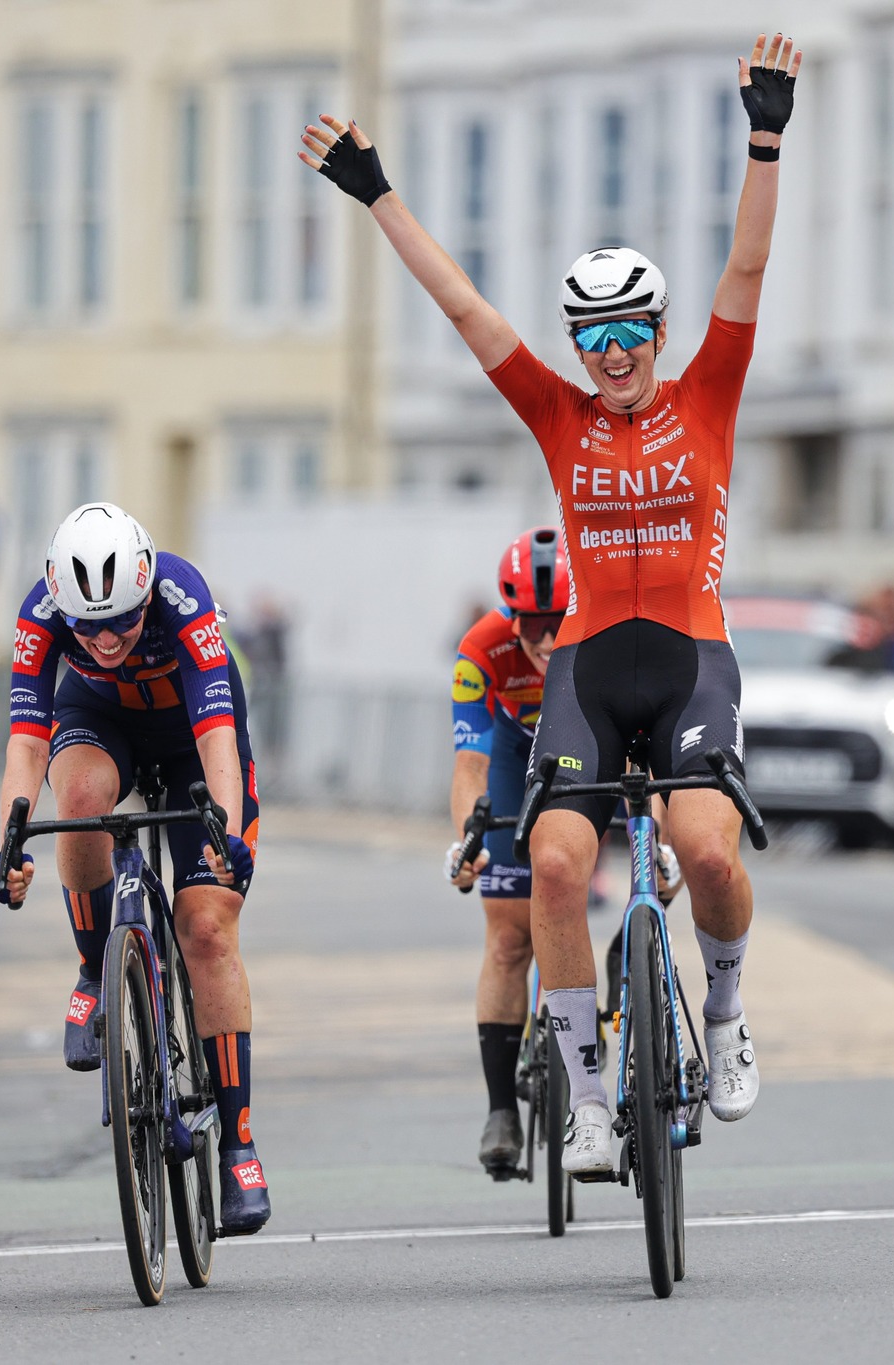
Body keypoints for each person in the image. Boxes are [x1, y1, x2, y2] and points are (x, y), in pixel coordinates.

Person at [307, 32, 799, 1173]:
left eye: (632, 330)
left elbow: (746, 272)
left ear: (661, 334)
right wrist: (377, 194)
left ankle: (722, 1019)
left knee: (706, 853)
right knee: (563, 874)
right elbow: (465, 307)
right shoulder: (558, 414)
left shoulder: (707, 393)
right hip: (585, 668)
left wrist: (763, 142)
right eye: (593, 335)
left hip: (686, 656)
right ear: (576, 347)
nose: (614, 351)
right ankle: (582, 1100)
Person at [0, 503, 269, 1234]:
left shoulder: (183, 598)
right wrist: (9, 844)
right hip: (98, 719)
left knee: (206, 924)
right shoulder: (40, 612)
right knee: (78, 798)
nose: (107, 638)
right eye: (90, 626)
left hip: (189, 735)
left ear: (145, 593)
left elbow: (216, 740)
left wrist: (226, 835)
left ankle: (238, 1142)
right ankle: (93, 970)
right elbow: (24, 748)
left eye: (123, 620)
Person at [444, 528, 569, 1174]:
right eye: (533, 625)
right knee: (506, 939)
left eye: (558, 623)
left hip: (578, 748)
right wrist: (468, 838)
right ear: (511, 614)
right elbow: (470, 766)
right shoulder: (480, 649)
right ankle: (501, 1109)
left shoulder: (594, 634)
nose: (547, 640)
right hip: (511, 755)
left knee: (564, 884)